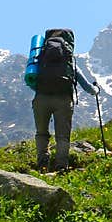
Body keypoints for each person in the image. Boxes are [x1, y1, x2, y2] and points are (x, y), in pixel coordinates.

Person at [32, 29, 100, 172]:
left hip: (41, 99)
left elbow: (31, 80)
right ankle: (61, 166)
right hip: (63, 100)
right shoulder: (69, 62)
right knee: (62, 136)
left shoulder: (39, 58)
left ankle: (42, 164)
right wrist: (96, 90)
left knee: (41, 133)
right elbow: (87, 87)